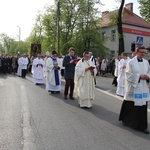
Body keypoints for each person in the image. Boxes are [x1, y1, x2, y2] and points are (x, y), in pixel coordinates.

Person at [119, 46, 150, 134]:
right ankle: (126, 120)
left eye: (144, 52)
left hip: (143, 87)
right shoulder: (131, 62)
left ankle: (142, 126)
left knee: (142, 107)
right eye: (141, 52)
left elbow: (149, 72)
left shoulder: (146, 62)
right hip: (134, 87)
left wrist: (147, 77)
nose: (143, 54)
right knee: (131, 105)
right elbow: (128, 75)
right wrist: (139, 76)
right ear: (136, 52)